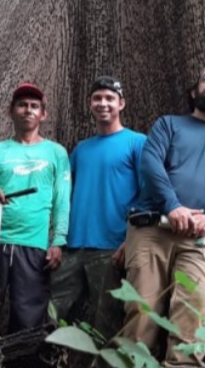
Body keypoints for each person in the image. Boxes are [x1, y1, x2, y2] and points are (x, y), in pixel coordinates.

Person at [122, 63, 205, 368]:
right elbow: (151, 162)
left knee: (199, 301)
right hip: (153, 228)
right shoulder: (169, 125)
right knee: (141, 306)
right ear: (194, 92)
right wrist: (174, 207)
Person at [0, 82, 71, 335]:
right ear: (10, 110)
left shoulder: (56, 152)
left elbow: (62, 199)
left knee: (29, 312)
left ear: (43, 114)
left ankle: (23, 367)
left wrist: (58, 240)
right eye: (22, 105)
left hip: (34, 243)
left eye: (34, 106)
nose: (28, 110)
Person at [50, 76, 146, 339]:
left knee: (108, 319)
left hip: (111, 247)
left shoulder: (137, 143)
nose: (103, 103)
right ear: (90, 104)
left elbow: (148, 193)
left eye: (109, 98)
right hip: (73, 246)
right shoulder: (81, 149)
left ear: (121, 104)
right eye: (97, 98)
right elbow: (64, 194)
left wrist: (130, 241)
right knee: (50, 310)